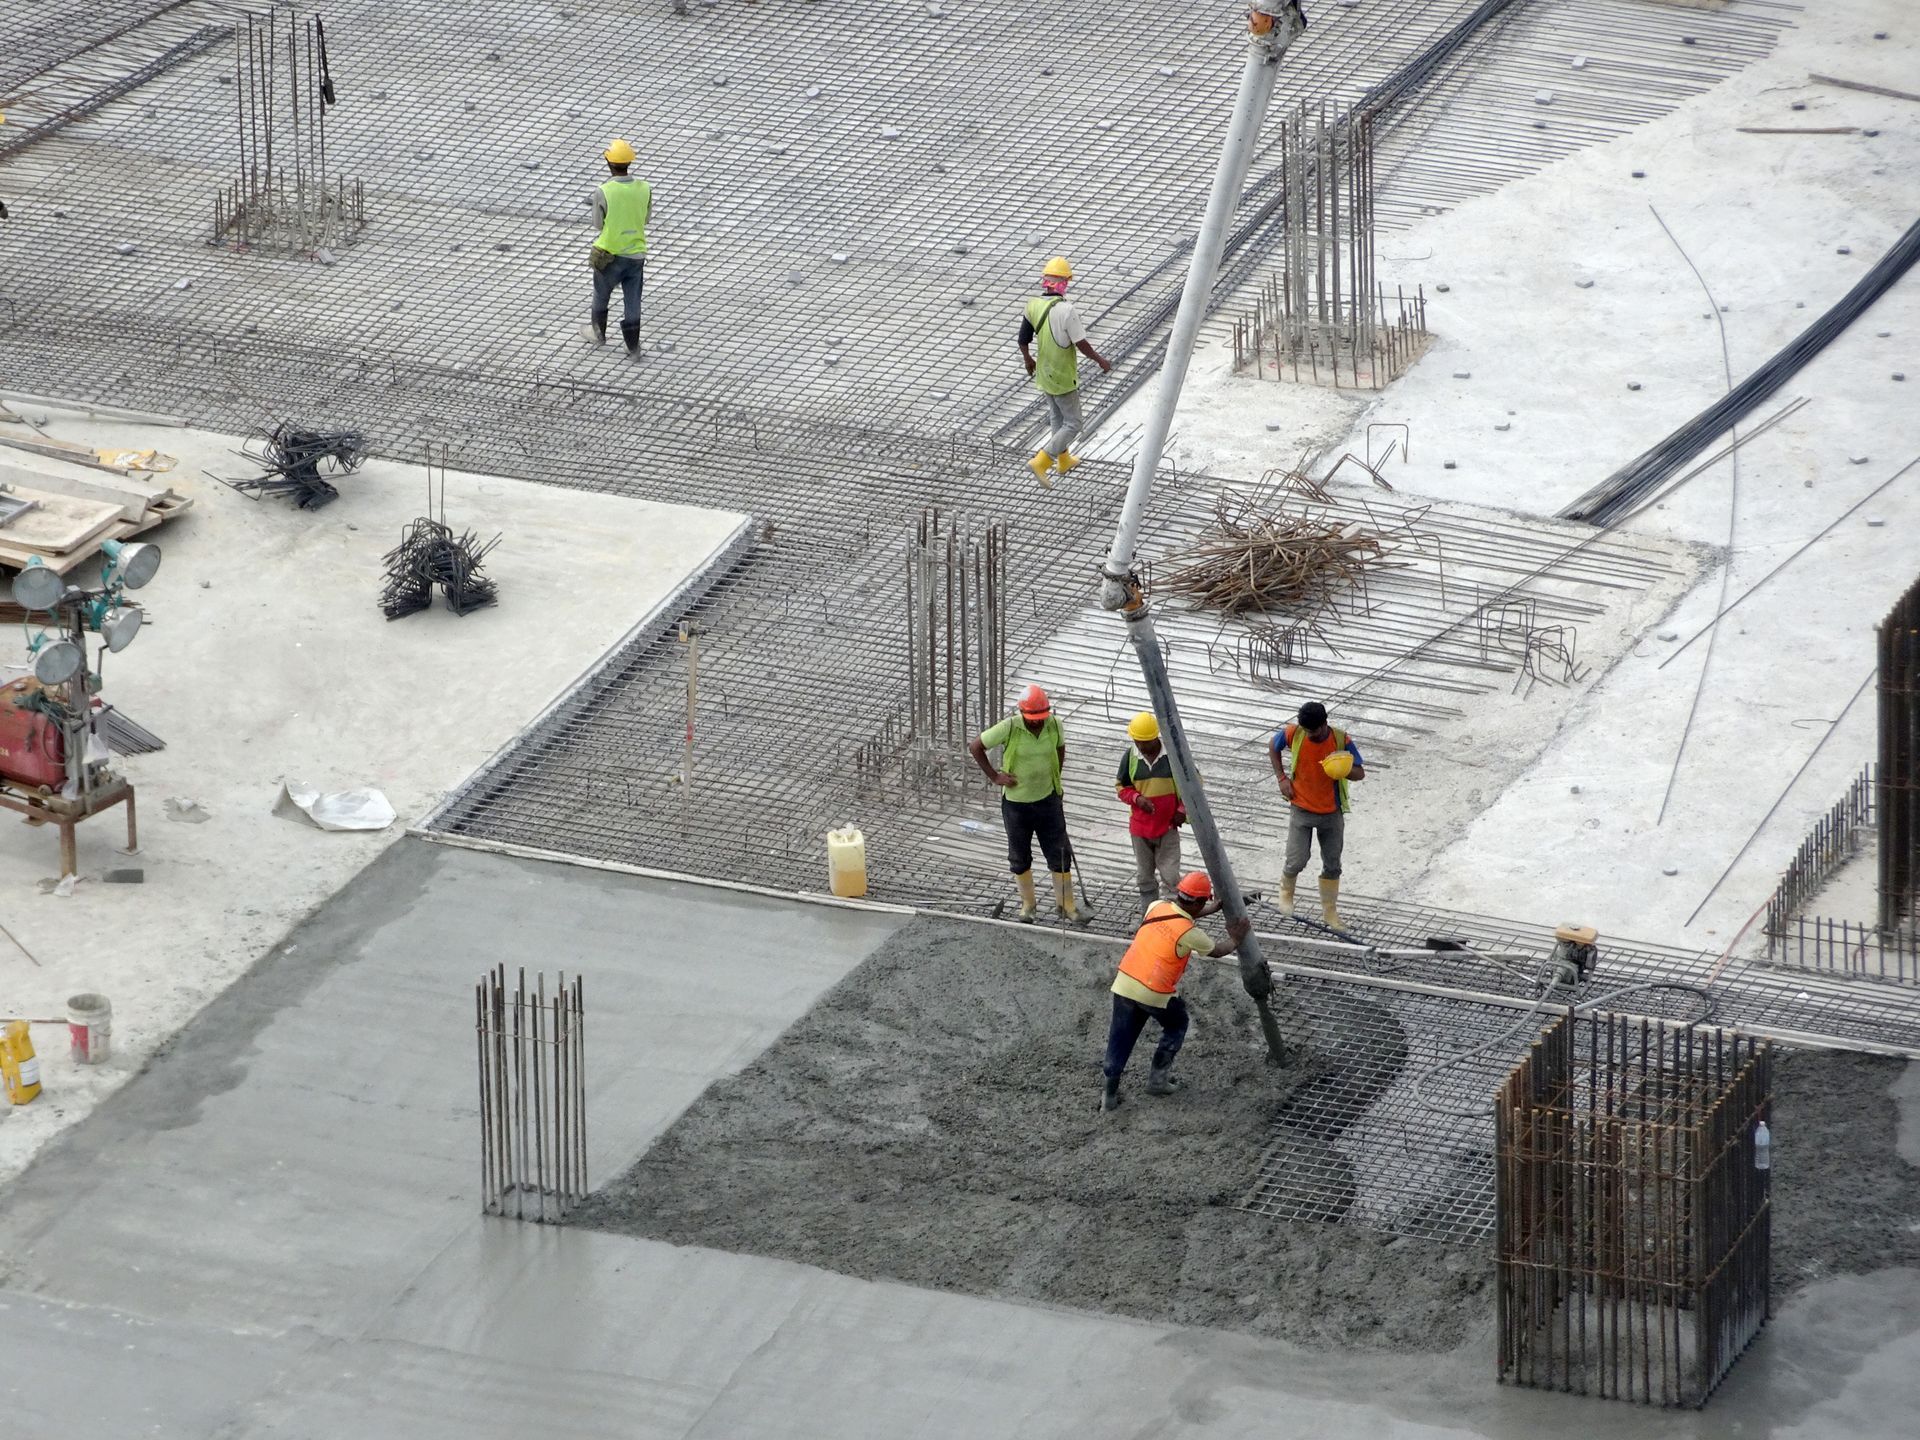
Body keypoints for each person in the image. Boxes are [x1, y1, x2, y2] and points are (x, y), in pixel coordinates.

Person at [1102, 871, 1251, 1112]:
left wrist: (1210, 909)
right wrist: (1236, 939)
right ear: (1200, 902)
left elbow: (1180, 913)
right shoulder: (1191, 934)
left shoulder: (1156, 906)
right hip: (1155, 991)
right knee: (1176, 1024)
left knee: (1121, 1036)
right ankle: (1157, 1081)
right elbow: (1217, 950)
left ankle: (1108, 1096)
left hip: (1125, 981)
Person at [969, 684, 1088, 925]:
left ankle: (1066, 905)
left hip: (1048, 800)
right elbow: (976, 746)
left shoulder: (1054, 725)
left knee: (1060, 854)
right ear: (1022, 713)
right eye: (1032, 719)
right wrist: (995, 776)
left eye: (1040, 718)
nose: (1037, 723)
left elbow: (1060, 749)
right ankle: (1028, 906)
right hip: (1017, 806)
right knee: (1019, 857)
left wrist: (1055, 779)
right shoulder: (1010, 726)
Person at [1269, 700, 1365, 929]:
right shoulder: (1295, 733)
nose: (1309, 734)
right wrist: (1281, 778)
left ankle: (1330, 912)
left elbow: (1360, 772)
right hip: (1301, 808)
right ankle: (1285, 894)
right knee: (1296, 859)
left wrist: (1344, 771)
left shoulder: (1341, 740)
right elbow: (1273, 746)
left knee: (1332, 864)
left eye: (1314, 730)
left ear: (1325, 724)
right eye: (1306, 730)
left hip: (1331, 812)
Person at [1017, 256, 1112, 486]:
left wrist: (1028, 359)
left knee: (1057, 417)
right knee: (1074, 423)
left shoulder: (1033, 305)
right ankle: (1042, 461)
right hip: (1061, 375)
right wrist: (1101, 361)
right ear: (1065, 283)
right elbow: (1081, 343)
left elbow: (1023, 338)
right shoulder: (1067, 310)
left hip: (1043, 371)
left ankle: (1064, 460)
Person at [1114, 710, 1185, 914]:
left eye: (1145, 742)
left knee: (1171, 876)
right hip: (1140, 829)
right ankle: (1148, 915)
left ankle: (1172, 918)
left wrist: (1182, 810)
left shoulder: (1172, 756)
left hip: (1168, 828)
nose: (1141, 747)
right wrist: (1137, 799)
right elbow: (1121, 787)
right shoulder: (1131, 757)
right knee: (1145, 877)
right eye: (1137, 742)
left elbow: (1193, 785)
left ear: (1156, 737)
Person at [588, 139, 652, 355]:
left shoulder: (603, 191)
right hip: (636, 255)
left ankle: (598, 333)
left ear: (609, 162)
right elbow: (646, 219)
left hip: (610, 253)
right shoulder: (645, 188)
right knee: (632, 300)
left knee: (601, 294)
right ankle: (633, 346)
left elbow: (598, 224)